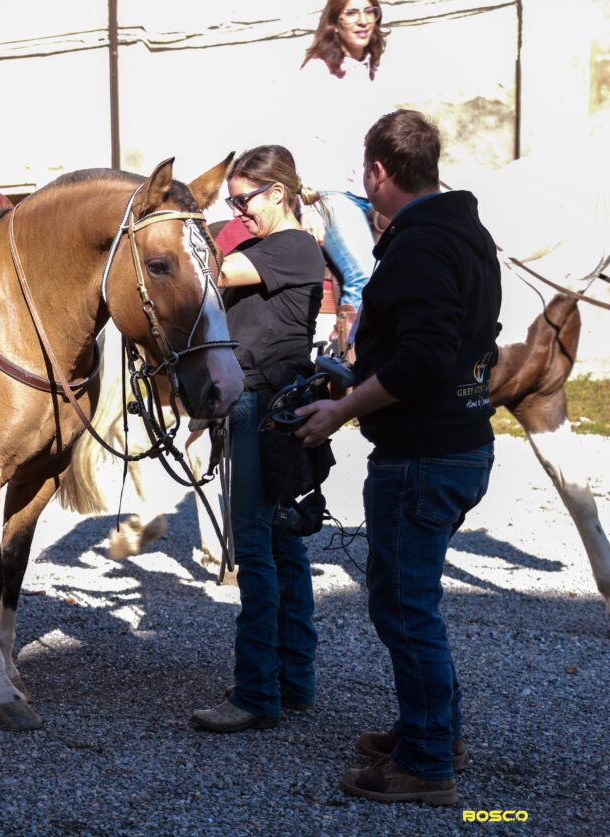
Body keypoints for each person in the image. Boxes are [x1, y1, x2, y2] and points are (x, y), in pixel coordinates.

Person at [295, 110, 502, 804]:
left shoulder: (416, 247)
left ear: (377, 172)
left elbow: (425, 354)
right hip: (460, 444)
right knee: (409, 602)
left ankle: (425, 765)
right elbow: (456, 346)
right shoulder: (466, 233)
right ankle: (434, 729)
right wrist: (356, 373)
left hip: (422, 457)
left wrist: (340, 410)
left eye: (364, 170)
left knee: (406, 608)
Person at [190, 146, 325, 732]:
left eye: (244, 199)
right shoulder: (268, 244)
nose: (238, 210)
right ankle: (293, 683)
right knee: (283, 547)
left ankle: (255, 696)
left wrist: (190, 222)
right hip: (268, 403)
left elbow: (211, 271)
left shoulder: (292, 246)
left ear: (277, 192)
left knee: (256, 550)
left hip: (261, 403)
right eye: (231, 201)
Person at [296, 0, 390, 347]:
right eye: (352, 12)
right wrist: (310, 206)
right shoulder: (317, 72)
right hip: (334, 193)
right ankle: (348, 365)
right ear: (334, 23)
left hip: (378, 191)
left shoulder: (375, 71)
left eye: (370, 11)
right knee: (364, 275)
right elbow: (302, 137)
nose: (363, 20)